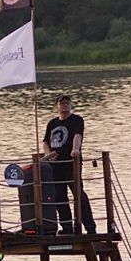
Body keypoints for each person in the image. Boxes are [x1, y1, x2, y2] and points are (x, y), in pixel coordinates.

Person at [42, 94, 96, 235]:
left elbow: (78, 135)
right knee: (59, 196)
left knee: (78, 194)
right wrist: (48, 155)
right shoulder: (52, 123)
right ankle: (67, 227)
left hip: (71, 163)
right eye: (62, 103)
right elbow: (45, 141)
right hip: (56, 165)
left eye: (67, 103)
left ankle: (90, 227)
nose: (65, 106)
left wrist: (75, 149)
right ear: (57, 106)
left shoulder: (76, 120)